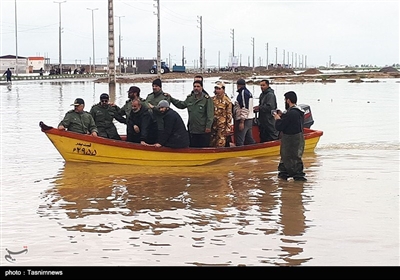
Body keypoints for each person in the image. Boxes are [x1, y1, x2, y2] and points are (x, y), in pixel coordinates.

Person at [170, 80, 214, 148]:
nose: (196, 88)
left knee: (203, 148)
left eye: (198, 86)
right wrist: (171, 99)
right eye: (194, 86)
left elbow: (210, 115)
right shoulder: (190, 98)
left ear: (202, 87)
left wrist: (208, 127)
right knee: (192, 148)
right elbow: (181, 105)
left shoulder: (207, 99)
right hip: (192, 129)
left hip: (203, 130)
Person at [274, 91, 307, 181]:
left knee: (290, 158)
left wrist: (277, 119)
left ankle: (296, 180)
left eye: (285, 99)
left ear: (288, 100)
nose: (285, 101)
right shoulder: (298, 111)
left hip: (290, 139)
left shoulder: (291, 113)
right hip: (298, 138)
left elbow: (280, 126)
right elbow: (290, 122)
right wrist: (283, 116)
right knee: (291, 158)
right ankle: (285, 177)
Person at [233, 79, 256, 146]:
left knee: (240, 139)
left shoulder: (243, 93)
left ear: (238, 85)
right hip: (249, 118)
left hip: (245, 119)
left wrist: (242, 121)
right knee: (249, 139)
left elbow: (244, 107)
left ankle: (239, 154)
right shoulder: (248, 92)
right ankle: (255, 151)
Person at [210, 81, 233, 147]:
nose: (217, 90)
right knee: (212, 142)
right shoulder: (212, 99)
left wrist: (228, 128)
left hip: (222, 126)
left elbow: (229, 115)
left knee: (220, 142)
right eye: (216, 89)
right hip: (213, 125)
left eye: (219, 89)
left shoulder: (227, 101)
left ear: (223, 89)